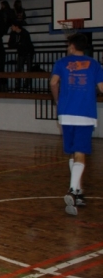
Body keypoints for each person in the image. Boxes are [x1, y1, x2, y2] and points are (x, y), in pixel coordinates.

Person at [50, 34, 103, 215]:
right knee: (80, 152)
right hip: (85, 113)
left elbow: (53, 83)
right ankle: (72, 190)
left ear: (72, 46)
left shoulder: (61, 63)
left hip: (66, 113)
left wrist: (58, 100)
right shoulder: (94, 64)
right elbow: (102, 88)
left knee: (74, 152)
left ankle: (79, 192)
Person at [8, 21, 34, 91]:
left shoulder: (25, 33)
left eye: (12, 26)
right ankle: (18, 85)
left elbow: (24, 44)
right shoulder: (13, 33)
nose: (11, 28)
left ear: (16, 26)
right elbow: (10, 44)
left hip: (28, 52)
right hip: (21, 53)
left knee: (29, 69)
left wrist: (18, 44)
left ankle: (27, 84)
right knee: (18, 69)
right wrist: (18, 44)